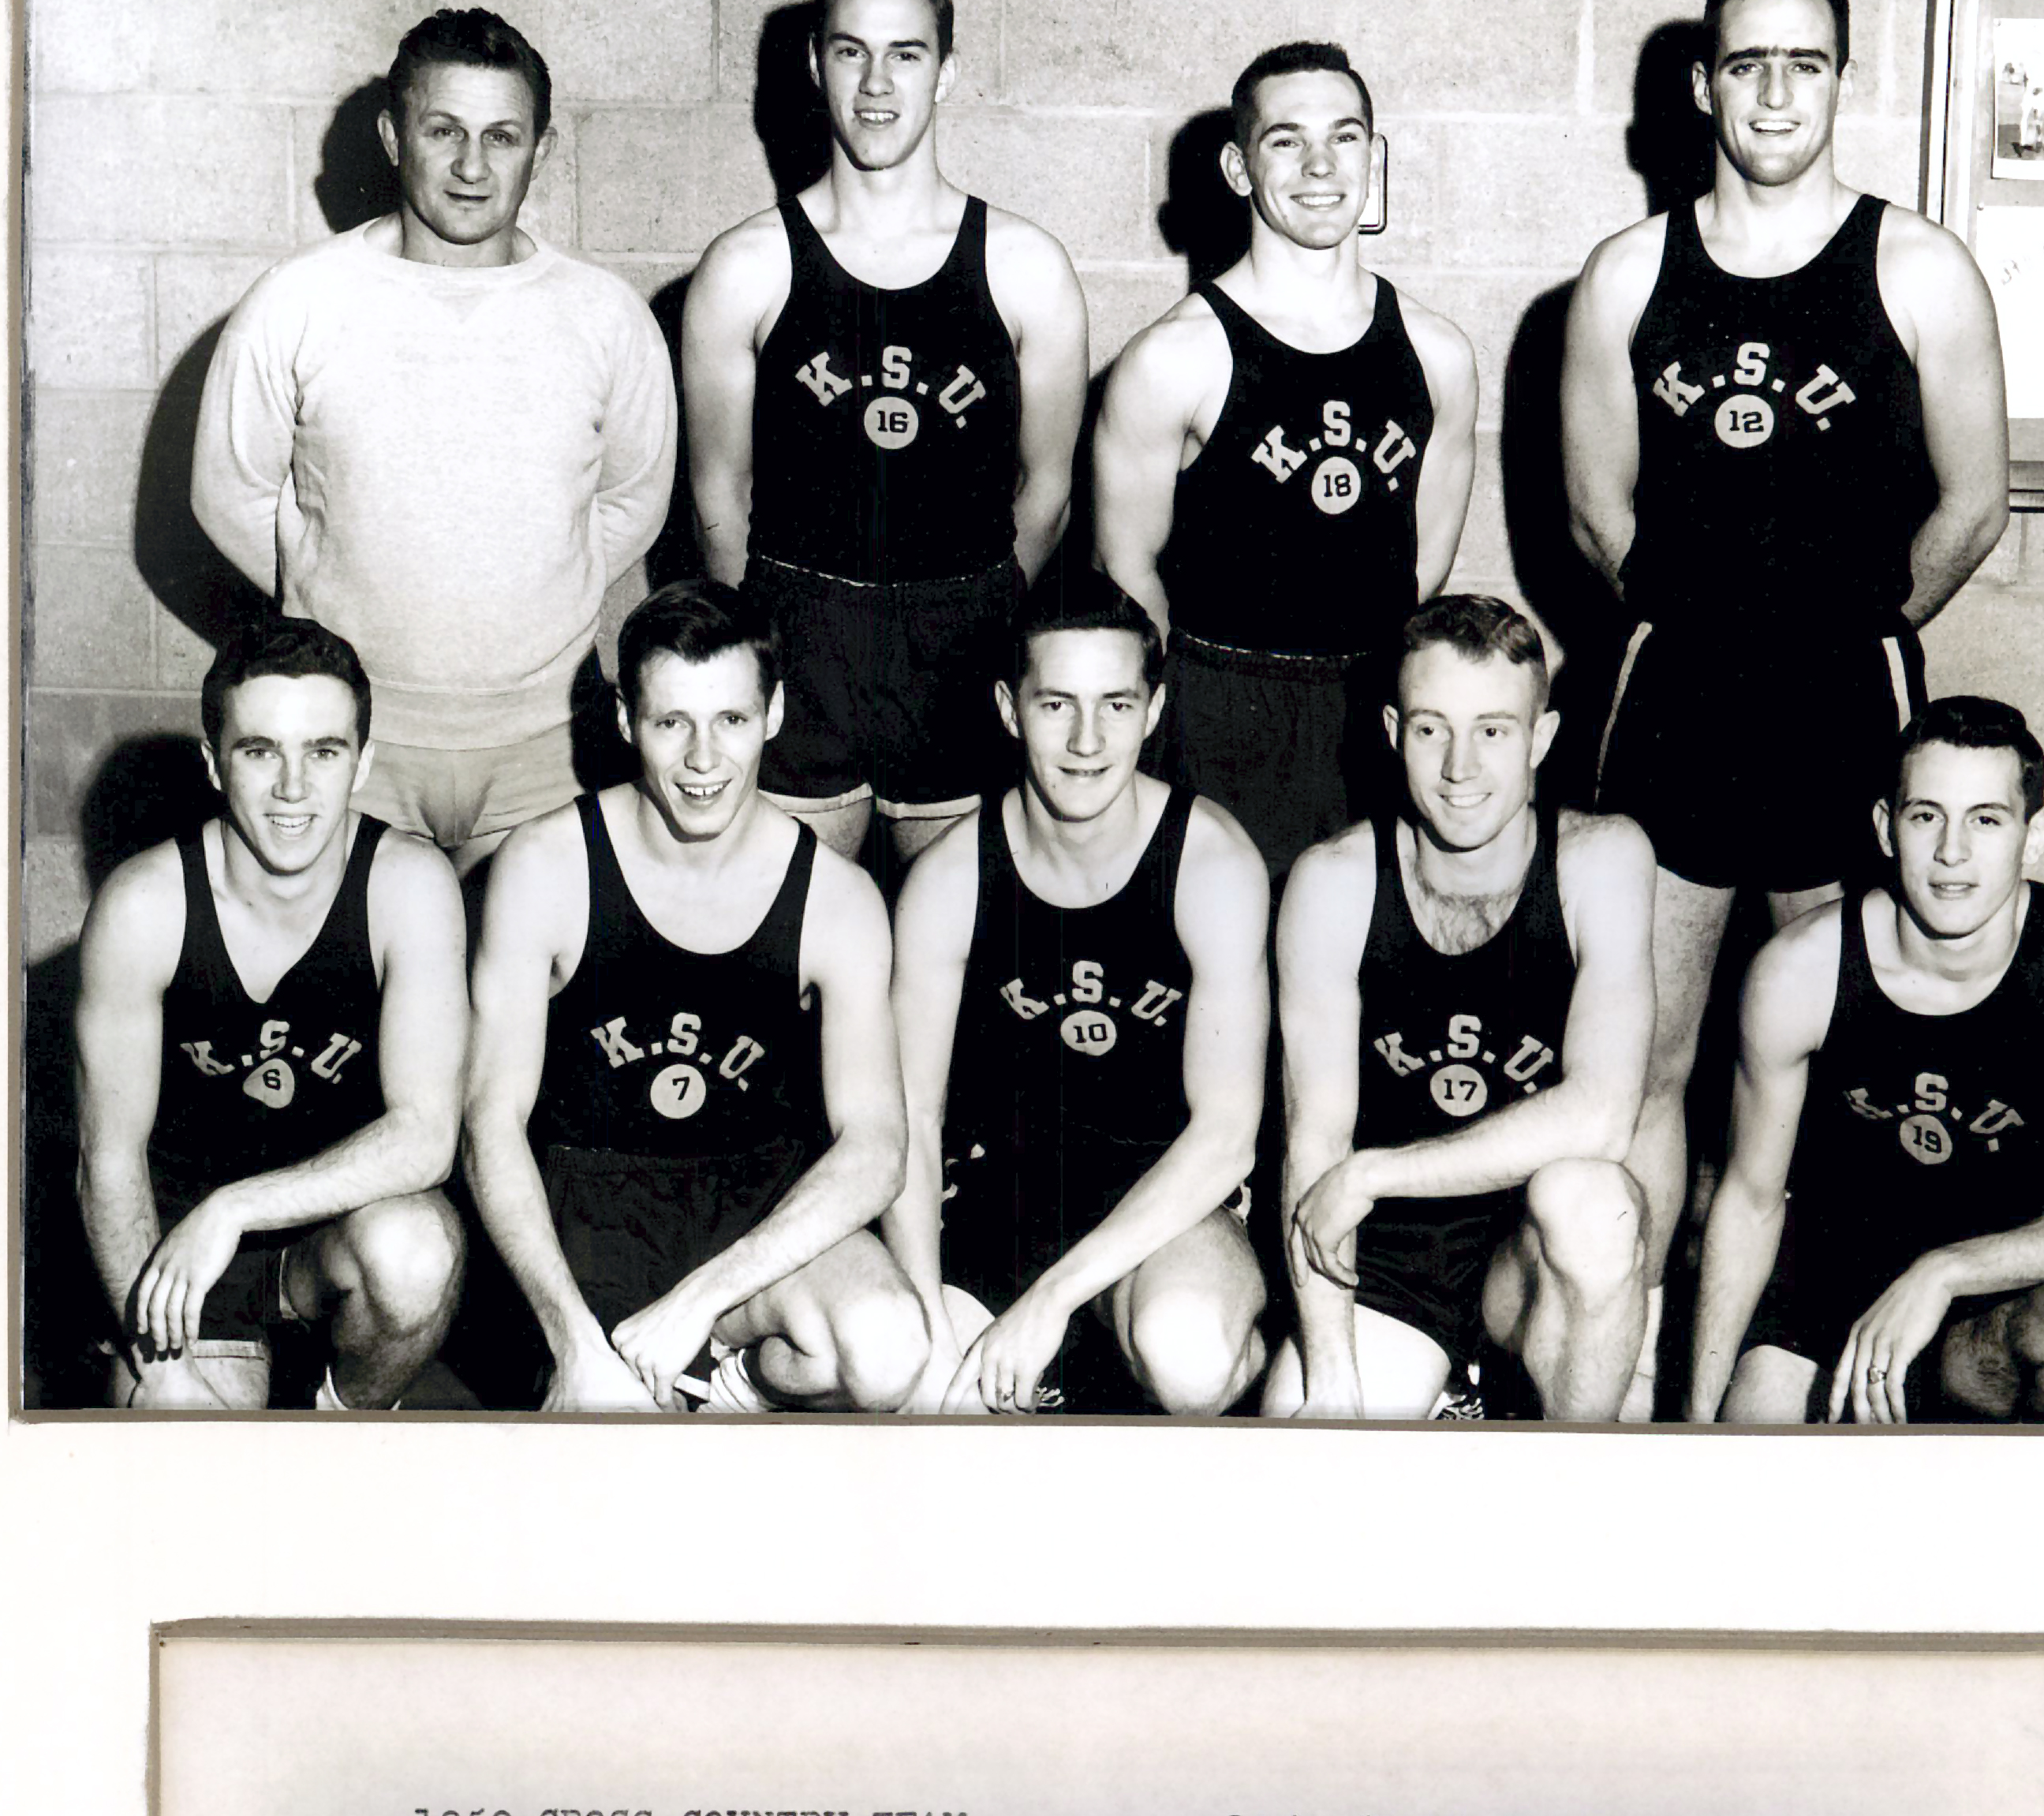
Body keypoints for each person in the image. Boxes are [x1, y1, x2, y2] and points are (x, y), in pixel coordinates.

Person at [1561, 0, 2009, 1407]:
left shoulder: (1918, 267)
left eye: (1803, 64)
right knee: (1651, 1048)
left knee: (1821, 1044)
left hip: (1842, 700)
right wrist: (1714, 631)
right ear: (1702, 86)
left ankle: (1791, 1343)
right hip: (1678, 695)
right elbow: (1596, 515)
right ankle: (1629, 1348)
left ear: (1840, 81)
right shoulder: (1629, 274)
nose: (1773, 93)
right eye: (1745, 63)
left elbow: (1975, 506)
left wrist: (1855, 628)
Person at [192, 9, 677, 876]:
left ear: (541, 150)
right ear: (393, 136)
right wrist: (334, 591)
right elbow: (228, 493)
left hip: (546, 745)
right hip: (352, 740)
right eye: (443, 130)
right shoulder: (298, 300)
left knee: (529, 964)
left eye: (502, 136)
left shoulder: (605, 315)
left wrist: (523, 595)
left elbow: (632, 498)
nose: (471, 167)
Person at [463, 581, 928, 1413]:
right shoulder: (544, 867)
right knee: (617, 1449)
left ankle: (733, 1381)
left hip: (755, 1214)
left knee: (889, 1350)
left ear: (774, 714)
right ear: (624, 721)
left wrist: (701, 1302)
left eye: (731, 720)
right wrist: (572, 1339)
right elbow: (489, 1124)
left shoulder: (836, 897)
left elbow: (877, 1148)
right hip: (586, 1218)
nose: (703, 760)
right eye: (672, 722)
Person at [685, 0, 1089, 867]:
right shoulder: (745, 267)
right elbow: (718, 495)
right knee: (791, 921)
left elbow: (1047, 490)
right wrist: (768, 642)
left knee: (955, 933)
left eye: (905, 53)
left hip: (963, 643)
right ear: (813, 63)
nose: (876, 83)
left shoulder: (1025, 267)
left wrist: (976, 612)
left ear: (945, 71)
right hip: (801, 633)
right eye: (850, 51)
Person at [1688, 697, 2044, 1425]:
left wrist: (1945, 1273)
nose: (1952, 851)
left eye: (1986, 819)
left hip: (1987, 1306)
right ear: (1885, 828)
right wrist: (1697, 1420)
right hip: (1824, 1304)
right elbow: (1750, 1199)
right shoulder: (1800, 969)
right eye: (1926, 815)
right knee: (1754, 1454)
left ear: (2034, 836)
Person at [1093, 41, 1479, 880]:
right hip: (1220, 713)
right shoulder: (1172, 357)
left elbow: (1423, 570)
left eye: (1344, 137)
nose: (1320, 165)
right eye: (1285, 140)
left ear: (1373, 156)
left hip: (1375, 711)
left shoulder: (1439, 353)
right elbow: (1127, 578)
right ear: (1238, 168)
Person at [1265, 596, 1656, 1421]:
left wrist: (1374, 1172)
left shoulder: (1601, 859)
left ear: (1541, 738)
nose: (1459, 767)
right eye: (1430, 728)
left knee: (1595, 1202)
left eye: (1492, 730)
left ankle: (1568, 1455)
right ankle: (1433, 1384)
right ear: (1391, 730)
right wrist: (1331, 1376)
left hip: (1527, 1244)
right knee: (1307, 1444)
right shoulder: (1333, 882)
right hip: (1391, 1249)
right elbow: (1315, 1140)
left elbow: (1603, 1114)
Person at [885, 588, 1271, 1414]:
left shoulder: (1210, 864)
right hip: (999, 1194)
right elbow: (911, 1120)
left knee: (1189, 1357)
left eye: (1116, 705)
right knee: (924, 1387)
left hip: (1165, 1200)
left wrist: (1052, 1298)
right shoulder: (948, 879)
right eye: (1056, 703)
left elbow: (1227, 1135)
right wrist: (926, 1316)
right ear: (1009, 709)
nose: (1087, 740)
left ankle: (1224, 1353)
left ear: (1153, 711)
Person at [74, 617, 467, 1409]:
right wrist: (165, 1369)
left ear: (363, 762)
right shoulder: (145, 906)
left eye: (323, 751)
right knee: (185, 1458)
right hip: (178, 1245)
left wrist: (237, 1207)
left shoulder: (409, 885)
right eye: (259, 751)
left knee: (415, 1253)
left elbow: (427, 1135)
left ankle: (340, 1428)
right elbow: (106, 1163)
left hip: (334, 1228)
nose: (293, 787)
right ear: (214, 764)